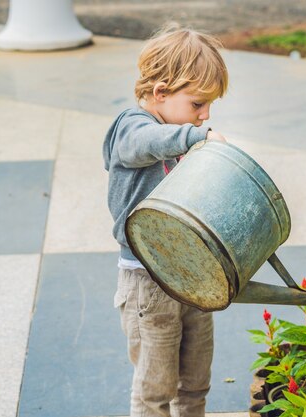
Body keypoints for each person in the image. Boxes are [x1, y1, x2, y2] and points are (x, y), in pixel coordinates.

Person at [102, 25, 229, 417]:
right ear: (160, 93)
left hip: (190, 276)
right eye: (197, 105)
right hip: (148, 282)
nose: (205, 115)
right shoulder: (132, 128)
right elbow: (146, 144)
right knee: (154, 389)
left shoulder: (178, 135)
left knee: (194, 382)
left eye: (209, 106)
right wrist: (193, 137)